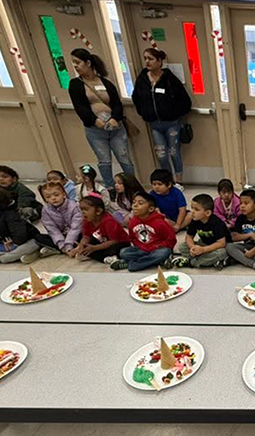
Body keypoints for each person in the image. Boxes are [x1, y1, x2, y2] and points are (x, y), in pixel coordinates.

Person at [69, 48, 135, 187]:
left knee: (124, 158)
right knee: (104, 161)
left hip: (115, 128)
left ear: (88, 63)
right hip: (95, 130)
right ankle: (110, 187)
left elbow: (117, 103)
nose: (75, 66)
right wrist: (94, 120)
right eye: (73, 62)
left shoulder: (106, 83)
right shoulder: (75, 84)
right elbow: (80, 107)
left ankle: (132, 185)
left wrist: (115, 119)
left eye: (77, 62)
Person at [131, 48, 192, 183]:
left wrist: (173, 114)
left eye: (151, 59)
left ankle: (179, 182)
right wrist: (144, 112)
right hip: (154, 124)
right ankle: (167, 181)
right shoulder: (142, 79)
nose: (147, 61)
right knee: (161, 155)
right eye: (145, 58)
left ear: (159, 62)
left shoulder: (169, 79)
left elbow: (185, 101)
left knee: (174, 152)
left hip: (172, 124)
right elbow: (136, 98)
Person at [110, 191, 176, 271]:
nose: (135, 205)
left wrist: (156, 247)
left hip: (158, 249)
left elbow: (171, 240)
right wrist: (142, 247)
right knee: (123, 252)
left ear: (151, 209)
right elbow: (133, 238)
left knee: (163, 253)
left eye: (140, 203)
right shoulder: (133, 221)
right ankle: (157, 261)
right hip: (143, 249)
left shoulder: (160, 222)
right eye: (134, 202)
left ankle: (132, 264)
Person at [167, 194, 228, 269]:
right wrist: (193, 247)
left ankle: (192, 262)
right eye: (192, 208)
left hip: (216, 247)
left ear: (208, 213)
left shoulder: (217, 223)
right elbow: (189, 237)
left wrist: (203, 250)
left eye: (196, 209)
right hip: (202, 243)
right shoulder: (195, 220)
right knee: (182, 246)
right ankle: (205, 261)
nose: (192, 212)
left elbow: (221, 243)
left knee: (222, 253)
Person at [69, 195, 130, 265]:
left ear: (98, 211)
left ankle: (106, 257)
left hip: (118, 243)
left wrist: (95, 248)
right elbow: (86, 236)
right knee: (79, 241)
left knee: (116, 250)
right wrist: (81, 246)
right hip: (102, 242)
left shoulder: (108, 221)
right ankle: (104, 257)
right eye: (81, 210)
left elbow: (114, 241)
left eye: (86, 209)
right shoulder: (86, 220)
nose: (83, 212)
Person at [35, 181, 82, 258]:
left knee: (84, 237)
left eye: (56, 195)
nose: (53, 198)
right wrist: (62, 245)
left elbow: (76, 228)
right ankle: (61, 250)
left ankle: (60, 250)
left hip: (75, 235)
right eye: (48, 197)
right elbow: (52, 229)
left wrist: (68, 244)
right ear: (45, 200)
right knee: (38, 237)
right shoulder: (46, 210)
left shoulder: (74, 206)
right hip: (61, 236)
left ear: (63, 195)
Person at [227, 189, 255, 272]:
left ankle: (238, 259)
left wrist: (252, 252)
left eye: (246, 203)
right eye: (240, 203)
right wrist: (249, 235)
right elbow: (233, 237)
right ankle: (254, 264)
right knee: (229, 247)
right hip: (246, 247)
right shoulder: (240, 218)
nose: (242, 206)